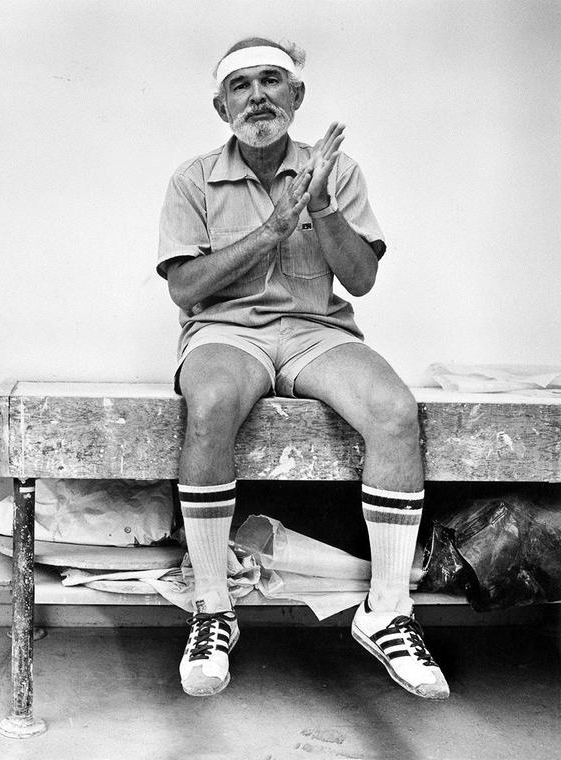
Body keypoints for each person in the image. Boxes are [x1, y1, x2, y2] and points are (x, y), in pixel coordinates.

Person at [156, 37, 449, 700]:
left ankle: (387, 612)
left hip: (314, 331)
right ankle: (211, 609)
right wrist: (269, 231)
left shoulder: (335, 171)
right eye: (241, 86)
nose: (257, 96)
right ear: (220, 104)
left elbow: (363, 278)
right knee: (208, 407)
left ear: (297, 96)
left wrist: (318, 206)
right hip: (228, 332)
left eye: (271, 81)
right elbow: (184, 290)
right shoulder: (192, 178)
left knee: (395, 412)